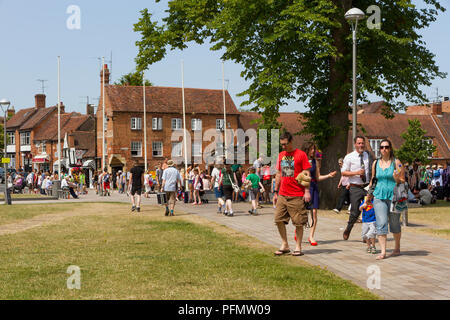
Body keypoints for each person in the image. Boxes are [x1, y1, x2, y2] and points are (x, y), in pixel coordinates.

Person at [273, 131, 311, 257]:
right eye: (281, 145)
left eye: (285, 144)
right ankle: (285, 244)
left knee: (299, 222)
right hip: (283, 194)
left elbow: (306, 174)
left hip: (297, 194)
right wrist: (275, 192)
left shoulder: (301, 155)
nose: (283, 147)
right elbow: (279, 174)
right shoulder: (282, 155)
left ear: (291, 141)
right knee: (278, 219)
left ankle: (298, 246)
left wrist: (306, 191)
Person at [370, 139, 404, 260]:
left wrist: (397, 178)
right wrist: (369, 195)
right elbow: (373, 180)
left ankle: (397, 248)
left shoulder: (397, 162)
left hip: (394, 197)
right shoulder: (375, 163)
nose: (384, 149)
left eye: (386, 147)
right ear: (379, 149)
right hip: (379, 196)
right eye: (382, 147)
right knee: (382, 222)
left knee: (394, 224)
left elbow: (403, 180)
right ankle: (383, 252)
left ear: (390, 149)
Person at [302, 141, 336, 246]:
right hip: (303, 188)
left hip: (313, 187)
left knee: (314, 213)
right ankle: (298, 230)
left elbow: (317, 177)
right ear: (307, 149)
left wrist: (329, 176)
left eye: (314, 149)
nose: (313, 151)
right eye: (311, 149)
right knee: (302, 213)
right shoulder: (301, 160)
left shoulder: (315, 162)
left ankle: (311, 236)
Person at [341, 136, 373, 241]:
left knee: (369, 210)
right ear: (355, 144)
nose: (361, 145)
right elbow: (343, 172)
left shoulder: (368, 155)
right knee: (355, 211)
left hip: (367, 186)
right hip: (355, 187)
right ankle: (348, 228)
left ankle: (367, 234)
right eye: (359, 143)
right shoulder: (349, 157)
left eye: (362, 143)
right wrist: (356, 173)